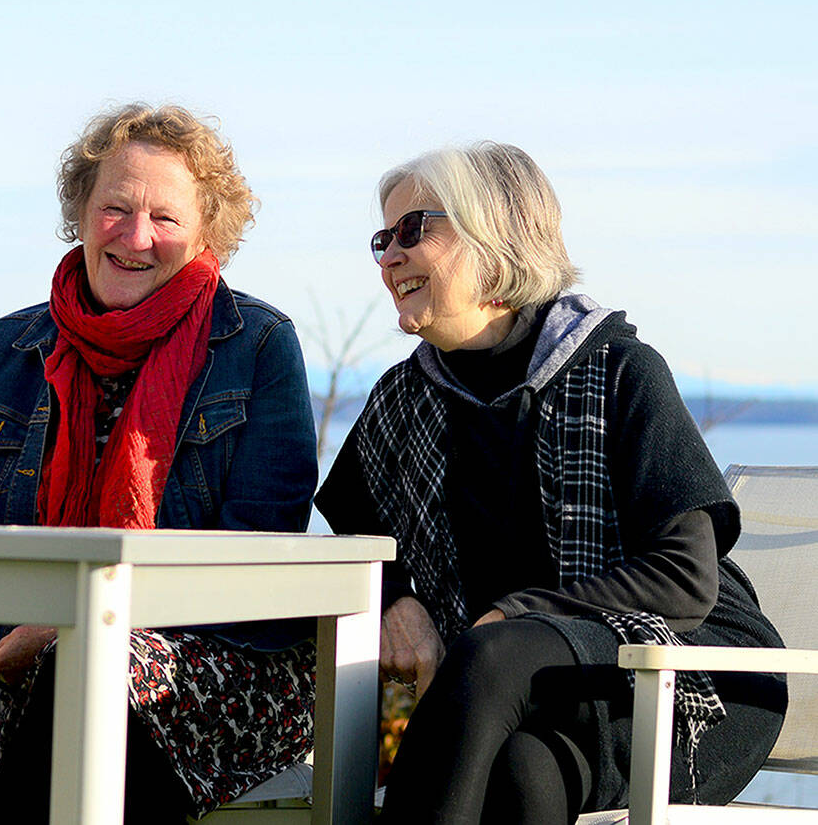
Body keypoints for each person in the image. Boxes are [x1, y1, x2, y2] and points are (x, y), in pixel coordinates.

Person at [315, 142, 786, 824]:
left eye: (415, 229)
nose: (389, 256)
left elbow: (685, 579)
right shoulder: (402, 402)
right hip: (533, 700)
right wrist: (398, 602)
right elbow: (355, 533)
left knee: (496, 651)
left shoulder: (621, 371)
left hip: (693, 680)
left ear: (496, 240)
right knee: (522, 779)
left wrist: (513, 615)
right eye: (382, 237)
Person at [0, 103, 319, 823]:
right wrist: (45, 630)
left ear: (205, 234)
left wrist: (76, 622)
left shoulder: (258, 345)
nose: (136, 238)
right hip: (47, 674)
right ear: (79, 210)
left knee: (96, 672)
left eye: (165, 218)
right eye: (116, 209)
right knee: (87, 679)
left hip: (232, 671)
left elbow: (259, 563)